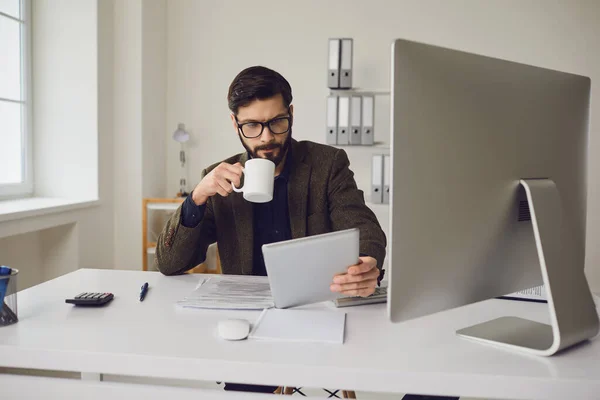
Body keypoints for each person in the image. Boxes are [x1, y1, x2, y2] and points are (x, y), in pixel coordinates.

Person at [155, 65, 386, 394]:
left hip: (315, 315)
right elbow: (168, 262)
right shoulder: (219, 179)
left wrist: (367, 263)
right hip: (247, 324)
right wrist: (197, 197)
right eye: (252, 125)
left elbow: (362, 225)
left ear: (290, 114)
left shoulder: (327, 164)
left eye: (277, 121)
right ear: (235, 123)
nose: (266, 137)